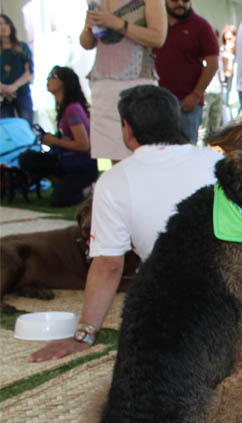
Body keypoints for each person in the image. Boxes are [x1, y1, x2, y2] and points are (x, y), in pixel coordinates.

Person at [29, 85, 221, 363]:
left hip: (180, 314)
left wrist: (84, 335)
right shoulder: (217, 161)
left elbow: (109, 264)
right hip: (241, 299)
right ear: (176, 122)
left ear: (127, 131)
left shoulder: (114, 180)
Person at [79, 0, 168, 162]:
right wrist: (88, 28)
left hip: (137, 85)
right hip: (103, 85)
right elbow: (87, 44)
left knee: (143, 155)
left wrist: (116, 23)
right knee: (113, 156)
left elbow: (158, 37)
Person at [18, 66, 98, 207]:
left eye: (53, 76)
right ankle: (62, 182)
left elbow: (83, 145)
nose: (48, 79)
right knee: (27, 157)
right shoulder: (63, 108)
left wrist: (54, 141)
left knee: (59, 200)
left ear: (64, 82)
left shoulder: (72, 109)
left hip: (81, 166)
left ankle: (85, 189)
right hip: (64, 161)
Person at [153, 0, 219, 145]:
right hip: (156, 102)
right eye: (175, 0)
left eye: (185, 1)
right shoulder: (155, 25)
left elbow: (213, 63)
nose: (180, 4)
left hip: (186, 103)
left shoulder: (201, 26)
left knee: (186, 151)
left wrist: (196, 95)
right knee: (157, 151)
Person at [0, 13, 33, 124]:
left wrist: (14, 87)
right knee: (7, 129)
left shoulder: (22, 47)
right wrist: (3, 88)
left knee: (26, 127)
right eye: (0, 24)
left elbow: (29, 72)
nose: (3, 27)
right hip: (3, 96)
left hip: (22, 92)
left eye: (6, 23)